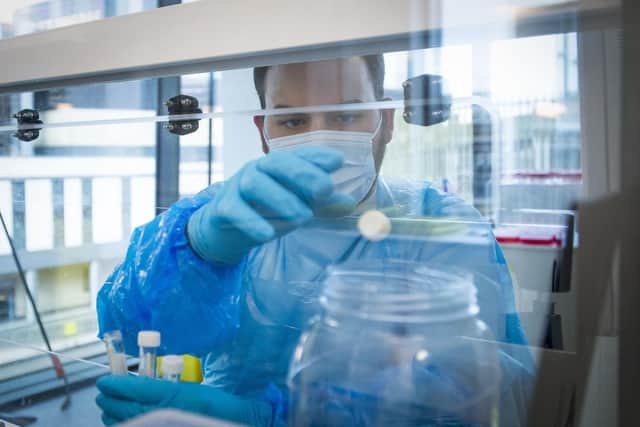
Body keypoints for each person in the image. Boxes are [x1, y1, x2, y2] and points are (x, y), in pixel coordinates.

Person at [95, 55, 534, 426]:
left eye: (345, 114)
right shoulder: (229, 211)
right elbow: (125, 325)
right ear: (263, 131)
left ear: (385, 120)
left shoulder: (441, 225)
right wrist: (199, 248)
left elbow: (477, 399)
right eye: (292, 120)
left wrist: (266, 418)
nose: (320, 136)